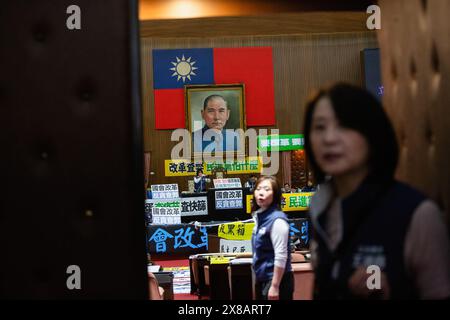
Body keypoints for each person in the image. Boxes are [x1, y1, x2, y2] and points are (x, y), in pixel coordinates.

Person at [303, 82, 450, 299]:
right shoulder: (320, 207)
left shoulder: (415, 214)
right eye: (319, 127)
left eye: (344, 126)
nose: (329, 138)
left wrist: (391, 291)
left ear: (372, 133)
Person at [251, 175, 294, 300]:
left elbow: (281, 255)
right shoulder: (259, 217)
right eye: (258, 189)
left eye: (266, 189)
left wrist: (275, 286)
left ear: (275, 194)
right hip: (262, 279)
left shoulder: (277, 220)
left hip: (276, 281)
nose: (261, 193)